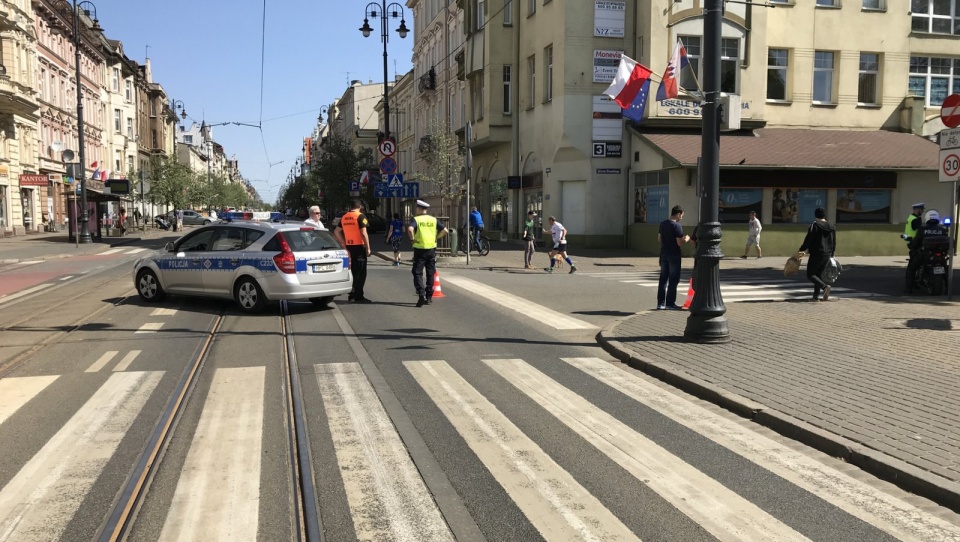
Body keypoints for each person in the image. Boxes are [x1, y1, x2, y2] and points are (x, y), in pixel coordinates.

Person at [408, 199, 447, 307]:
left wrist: (412, 240)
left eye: (416, 208)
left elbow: (410, 229)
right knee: (430, 272)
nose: (416, 209)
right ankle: (429, 296)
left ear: (420, 209)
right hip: (431, 249)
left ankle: (421, 294)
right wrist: (436, 237)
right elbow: (445, 230)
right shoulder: (433, 220)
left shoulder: (416, 219)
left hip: (420, 250)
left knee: (417, 272)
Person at [334, 200, 372, 303]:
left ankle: (352, 294)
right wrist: (368, 247)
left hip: (350, 247)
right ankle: (359, 296)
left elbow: (336, 231)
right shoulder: (361, 216)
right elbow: (364, 233)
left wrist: (344, 242)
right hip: (359, 247)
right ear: (359, 207)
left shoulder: (344, 217)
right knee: (361, 272)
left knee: (353, 271)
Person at [906, 210, 950, 293]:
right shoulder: (943, 230)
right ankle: (948, 288)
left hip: (925, 255)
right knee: (946, 270)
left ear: (926, 218)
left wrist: (911, 245)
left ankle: (908, 289)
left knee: (911, 269)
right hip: (941, 255)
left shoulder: (922, 230)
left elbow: (915, 242)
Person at [798, 207, 837, 301]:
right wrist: (832, 253)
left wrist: (802, 249)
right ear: (824, 215)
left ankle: (824, 287)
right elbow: (834, 241)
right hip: (827, 254)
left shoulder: (814, 225)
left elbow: (809, 239)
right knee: (818, 275)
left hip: (816, 253)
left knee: (811, 275)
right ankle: (815, 297)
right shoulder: (831, 226)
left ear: (815, 215)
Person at [657, 205, 691, 309]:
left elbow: (659, 239)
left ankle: (660, 303)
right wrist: (687, 239)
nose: (681, 218)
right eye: (681, 216)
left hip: (663, 253)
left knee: (663, 278)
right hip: (674, 255)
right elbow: (679, 243)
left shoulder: (663, 224)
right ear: (678, 214)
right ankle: (670, 303)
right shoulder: (677, 226)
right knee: (673, 279)